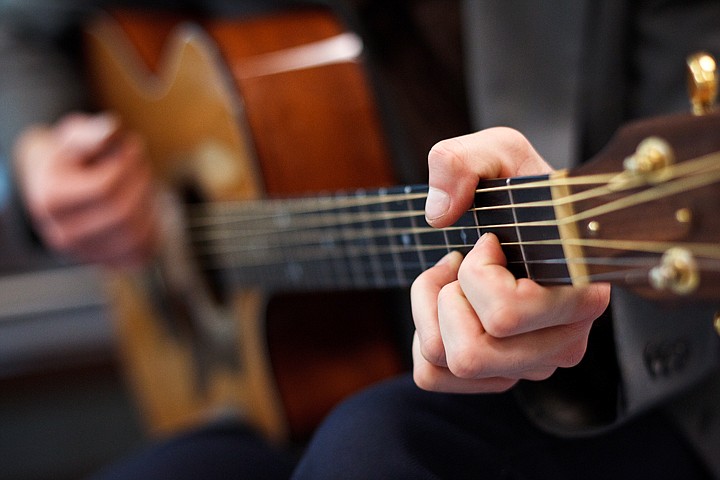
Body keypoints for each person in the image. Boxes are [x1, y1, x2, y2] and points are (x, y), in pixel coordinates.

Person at [1, 1, 719, 479]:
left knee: (372, 450)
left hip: (628, 383)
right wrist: (34, 157)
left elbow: (686, 175)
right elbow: (18, 31)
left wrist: (571, 296)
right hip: (305, 370)